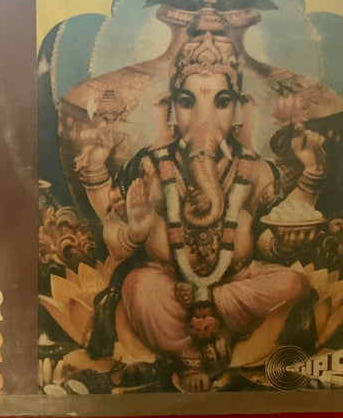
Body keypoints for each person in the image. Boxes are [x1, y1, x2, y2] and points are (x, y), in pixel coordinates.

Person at [75, 29, 327, 391]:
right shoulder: (149, 165)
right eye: (187, 102)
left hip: (236, 281)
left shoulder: (253, 168)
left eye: (221, 102)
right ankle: (190, 352)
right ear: (173, 109)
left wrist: (308, 183)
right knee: (140, 288)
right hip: (168, 283)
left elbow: (270, 234)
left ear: (236, 108)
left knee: (291, 283)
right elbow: (112, 231)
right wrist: (133, 229)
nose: (203, 117)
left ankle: (217, 316)